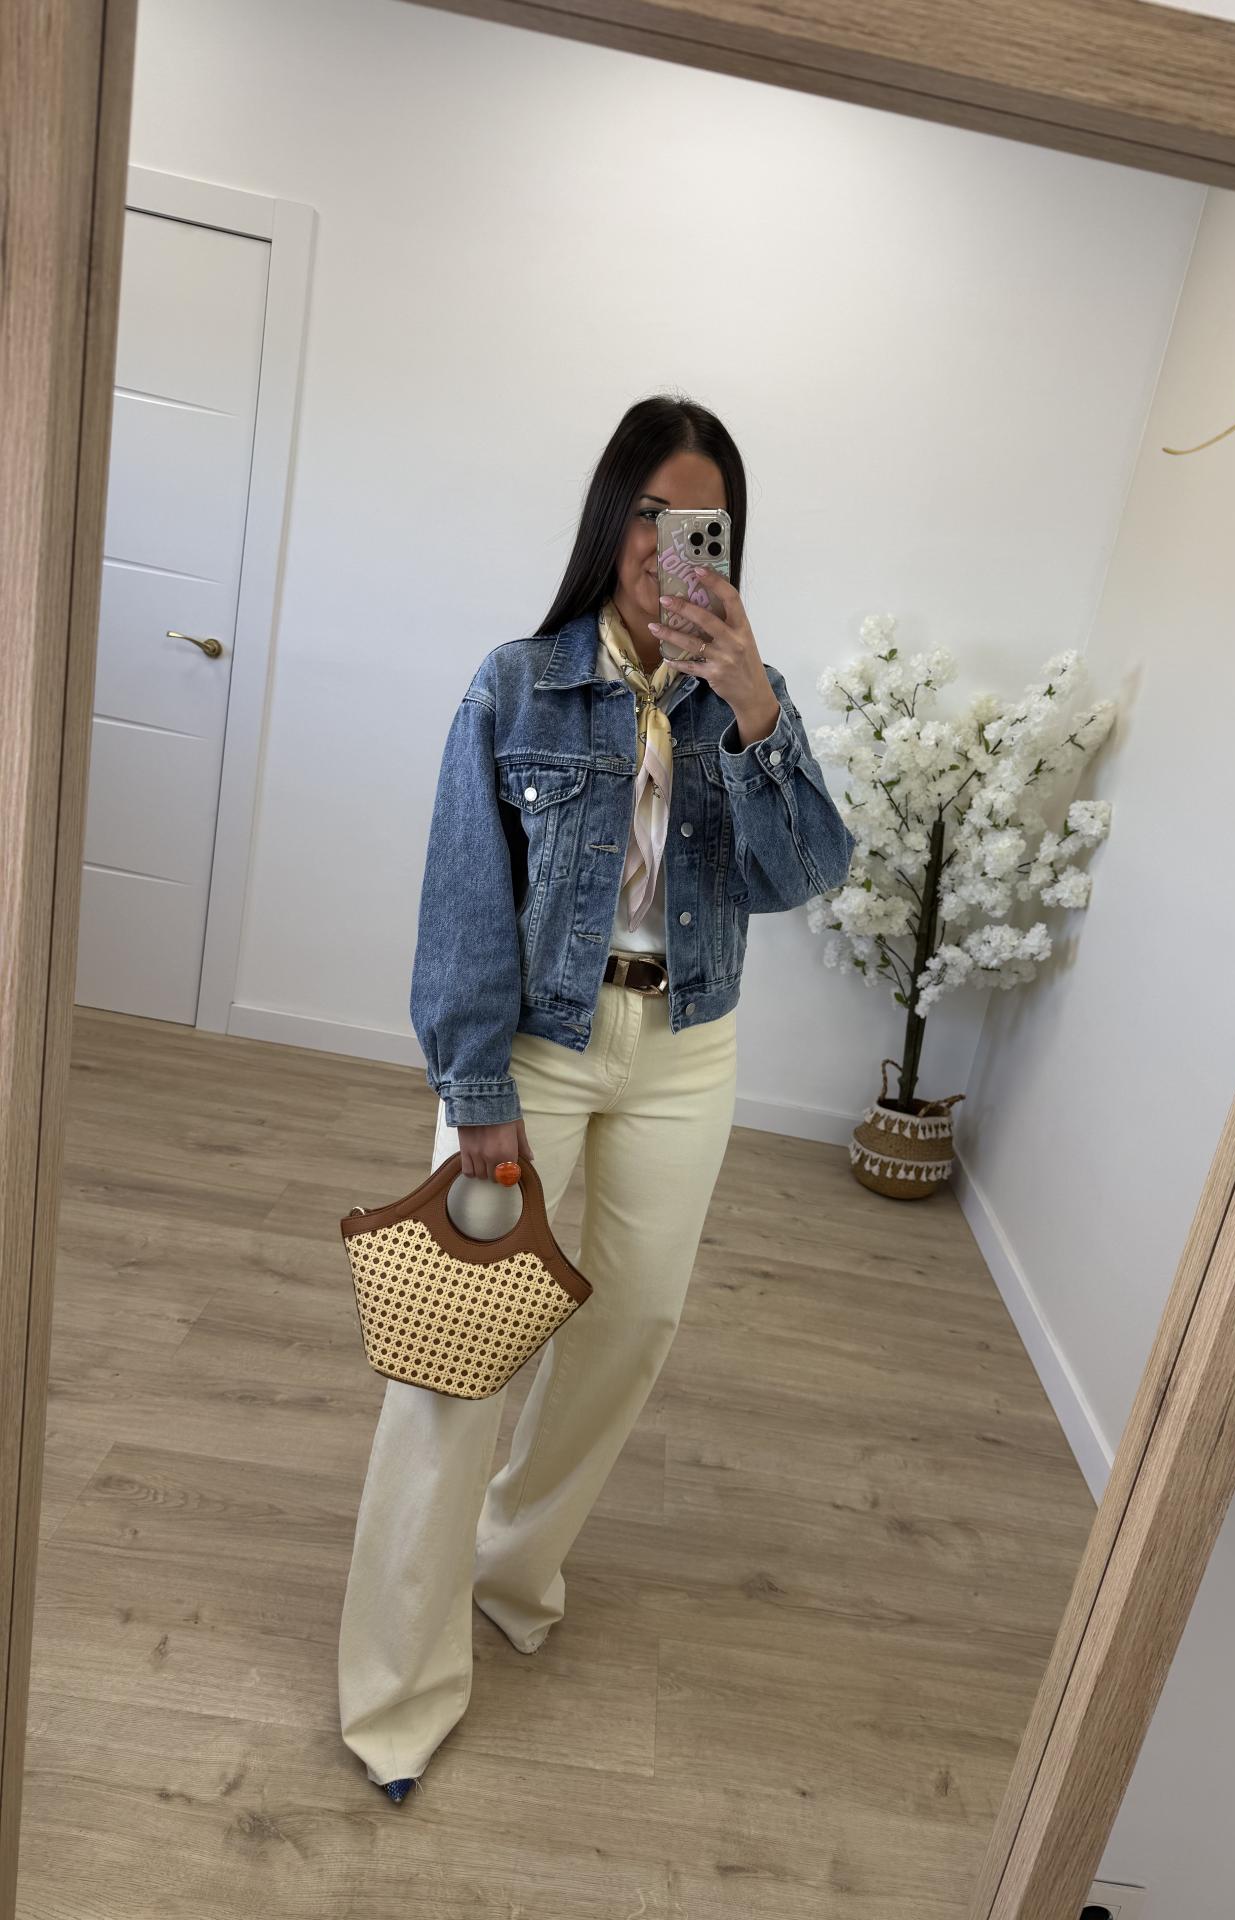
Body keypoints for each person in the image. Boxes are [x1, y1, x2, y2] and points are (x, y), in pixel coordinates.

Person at [337, 394, 856, 1801]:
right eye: (648, 514)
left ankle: (512, 1565)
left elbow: (805, 876)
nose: (664, 547)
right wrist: (475, 1087)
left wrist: (756, 710)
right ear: (610, 519)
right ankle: (396, 1690)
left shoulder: (744, 695)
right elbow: (461, 900)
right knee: (456, 1352)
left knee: (631, 1328)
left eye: (698, 526)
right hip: (537, 1046)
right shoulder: (516, 685)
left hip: (687, 1047)